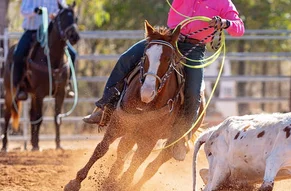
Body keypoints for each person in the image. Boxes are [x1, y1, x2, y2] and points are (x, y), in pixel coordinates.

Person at [83, 0, 245, 161]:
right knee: (126, 59)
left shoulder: (223, 2)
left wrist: (225, 23)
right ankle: (104, 106)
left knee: (193, 92)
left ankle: (181, 138)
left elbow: (239, 28)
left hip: (193, 48)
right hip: (167, 39)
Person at [14, 0, 78, 101]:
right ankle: (20, 86)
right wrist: (34, 11)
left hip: (52, 33)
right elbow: (23, 11)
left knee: (73, 54)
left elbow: (63, 9)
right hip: (32, 31)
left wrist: (56, 15)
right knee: (18, 53)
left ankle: (67, 84)